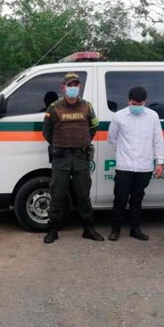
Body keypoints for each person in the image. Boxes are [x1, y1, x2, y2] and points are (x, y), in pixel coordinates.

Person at [42, 72, 104, 244]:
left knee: (83, 194)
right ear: (64, 87)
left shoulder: (87, 107)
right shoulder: (54, 107)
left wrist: (80, 143)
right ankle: (53, 230)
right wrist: (61, 145)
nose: (73, 88)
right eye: (70, 85)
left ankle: (88, 229)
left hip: (80, 157)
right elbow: (47, 132)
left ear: (80, 87)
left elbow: (93, 128)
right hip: (61, 158)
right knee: (57, 194)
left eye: (75, 85)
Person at [107, 86, 164, 241]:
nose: (137, 107)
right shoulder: (119, 116)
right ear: (128, 101)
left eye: (140, 104)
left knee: (137, 199)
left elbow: (158, 140)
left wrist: (160, 162)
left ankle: (135, 229)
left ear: (146, 102)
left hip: (144, 166)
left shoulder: (152, 116)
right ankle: (115, 229)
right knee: (120, 198)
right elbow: (112, 139)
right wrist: (122, 153)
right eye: (134, 104)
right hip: (124, 166)